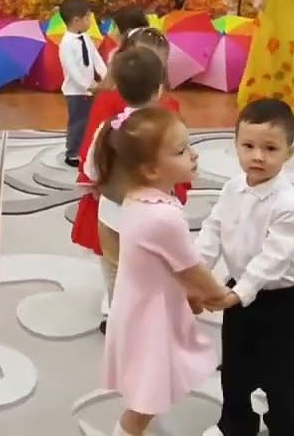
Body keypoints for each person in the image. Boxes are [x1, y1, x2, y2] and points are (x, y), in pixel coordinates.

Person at [95, 107, 233, 436]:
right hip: (150, 320)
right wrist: (221, 295)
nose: (194, 154)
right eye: (181, 151)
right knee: (147, 399)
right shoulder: (162, 218)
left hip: (143, 308)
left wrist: (192, 295)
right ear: (151, 169)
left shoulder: (137, 199)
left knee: (153, 387)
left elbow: (171, 265)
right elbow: (191, 269)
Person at [196, 98, 294, 436]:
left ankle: (289, 428)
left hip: (280, 302)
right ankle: (236, 424)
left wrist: (238, 294)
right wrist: (197, 274)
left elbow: (273, 258)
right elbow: (213, 229)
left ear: (289, 152)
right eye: (248, 146)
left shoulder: (288, 203)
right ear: (236, 145)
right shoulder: (232, 188)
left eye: (270, 148)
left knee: (279, 376)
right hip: (237, 293)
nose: (257, 156)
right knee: (234, 369)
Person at [72, 28, 188, 332]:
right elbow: (180, 157)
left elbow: (92, 158)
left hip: (122, 207)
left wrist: (95, 181)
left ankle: (129, 310)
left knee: (131, 261)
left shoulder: (167, 111)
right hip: (136, 207)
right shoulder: (112, 107)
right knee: (127, 260)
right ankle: (124, 308)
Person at [58, 0, 107, 167]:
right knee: (78, 122)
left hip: (90, 90)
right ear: (76, 20)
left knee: (91, 120)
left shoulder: (85, 37)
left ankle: (87, 148)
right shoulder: (66, 44)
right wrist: (89, 85)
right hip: (76, 92)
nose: (90, 22)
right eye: (88, 18)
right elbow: (72, 70)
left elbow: (95, 58)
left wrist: (106, 76)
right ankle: (72, 153)